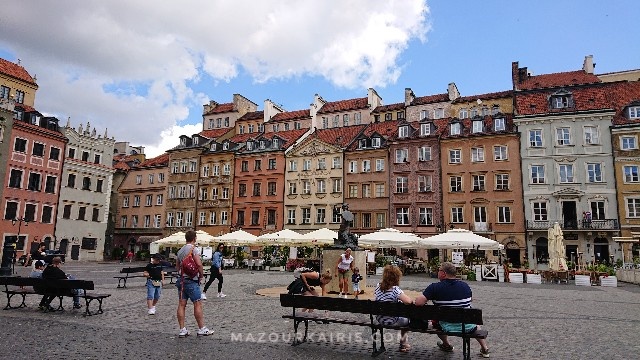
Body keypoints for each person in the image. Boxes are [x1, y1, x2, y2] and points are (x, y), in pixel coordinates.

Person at [413, 262, 490, 358]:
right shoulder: (465, 286)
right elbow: (468, 300)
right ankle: (484, 348)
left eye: (439, 270)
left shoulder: (434, 287)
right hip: (467, 325)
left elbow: (418, 303)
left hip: (446, 326)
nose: (437, 272)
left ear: (443, 273)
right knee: (474, 322)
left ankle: (446, 344)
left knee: (436, 322)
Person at [175, 230, 213, 337]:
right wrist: (201, 275)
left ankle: (182, 329)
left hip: (181, 280)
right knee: (197, 303)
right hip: (191, 280)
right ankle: (202, 328)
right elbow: (199, 264)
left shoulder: (180, 251)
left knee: (182, 305)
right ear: (194, 238)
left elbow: (177, 267)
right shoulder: (194, 249)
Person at [374, 265, 413, 353]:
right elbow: (408, 301)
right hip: (392, 320)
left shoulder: (378, 286)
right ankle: (403, 343)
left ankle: (402, 343)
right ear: (396, 277)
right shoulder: (395, 289)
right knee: (407, 320)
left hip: (380, 319)